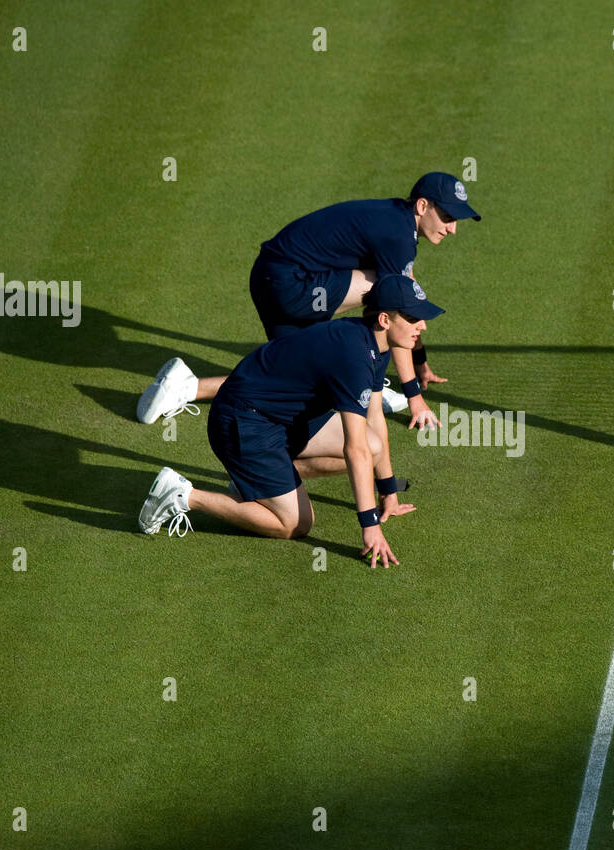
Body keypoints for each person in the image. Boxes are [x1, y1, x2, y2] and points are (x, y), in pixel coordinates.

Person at [137, 275, 443, 569]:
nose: (423, 326)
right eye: (414, 319)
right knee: (296, 524)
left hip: (278, 419)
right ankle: (184, 496)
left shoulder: (376, 347)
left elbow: (375, 421)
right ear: (385, 320)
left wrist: (388, 494)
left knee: (374, 444)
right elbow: (355, 450)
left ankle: (258, 483)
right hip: (242, 421)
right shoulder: (354, 357)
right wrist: (370, 524)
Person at [137, 171, 479, 429]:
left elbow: (410, 291)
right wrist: (415, 397)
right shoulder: (398, 235)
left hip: (269, 277)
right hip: (292, 284)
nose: (452, 229)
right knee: (387, 296)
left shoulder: (395, 220)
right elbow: (400, 309)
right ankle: (370, 383)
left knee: (291, 376)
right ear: (423, 206)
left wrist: (421, 362)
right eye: (448, 218)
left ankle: (186, 387)